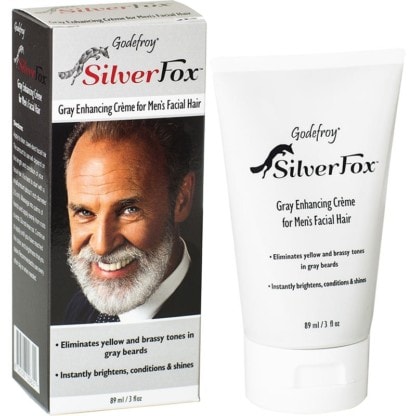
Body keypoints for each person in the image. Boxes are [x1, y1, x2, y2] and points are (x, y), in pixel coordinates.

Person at [62, 119, 202, 324]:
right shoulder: (78, 309)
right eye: (85, 212)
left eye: (129, 210)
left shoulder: (218, 310)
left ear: (182, 198)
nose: (101, 246)